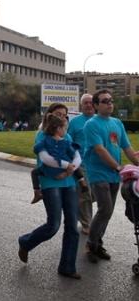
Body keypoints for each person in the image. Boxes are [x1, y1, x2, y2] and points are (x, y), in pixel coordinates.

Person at [18, 102, 81, 279]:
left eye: (65, 115)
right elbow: (46, 158)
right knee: (53, 225)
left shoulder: (66, 136)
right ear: (49, 115)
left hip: (69, 183)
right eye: (59, 114)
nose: (62, 117)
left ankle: (67, 266)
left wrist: (71, 168)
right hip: (50, 182)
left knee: (72, 227)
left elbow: (75, 155)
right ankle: (26, 242)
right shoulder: (42, 135)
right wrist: (66, 166)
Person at [83, 89, 139, 263]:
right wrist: (118, 166)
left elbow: (127, 148)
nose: (109, 103)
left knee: (108, 211)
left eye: (111, 100)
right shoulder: (91, 124)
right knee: (104, 209)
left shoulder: (117, 123)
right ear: (96, 105)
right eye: (105, 100)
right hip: (98, 173)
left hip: (115, 175)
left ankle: (98, 244)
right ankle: (91, 244)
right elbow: (100, 150)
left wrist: (137, 165)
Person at [30, 114, 88, 204]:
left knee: (34, 173)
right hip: (65, 166)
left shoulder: (45, 139)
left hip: (51, 168)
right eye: (65, 128)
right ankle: (82, 181)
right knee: (74, 166)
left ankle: (37, 191)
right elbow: (73, 153)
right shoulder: (66, 142)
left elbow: (37, 148)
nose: (66, 131)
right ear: (59, 129)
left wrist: (36, 149)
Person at [67, 94, 95, 235]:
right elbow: (68, 142)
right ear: (81, 105)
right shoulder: (75, 122)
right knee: (86, 194)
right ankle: (86, 224)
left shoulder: (100, 121)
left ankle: (79, 209)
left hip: (98, 165)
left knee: (96, 194)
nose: (89, 105)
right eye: (85, 103)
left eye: (91, 102)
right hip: (81, 163)